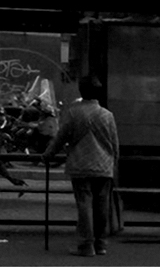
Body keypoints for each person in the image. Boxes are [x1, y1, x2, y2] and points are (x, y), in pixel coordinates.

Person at [47, 75, 119, 257]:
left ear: (81, 91)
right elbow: (114, 145)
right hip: (104, 166)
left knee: (84, 204)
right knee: (102, 205)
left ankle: (86, 245)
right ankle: (101, 243)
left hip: (80, 164)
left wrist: (48, 155)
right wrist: (113, 163)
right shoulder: (107, 115)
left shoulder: (73, 113)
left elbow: (60, 138)